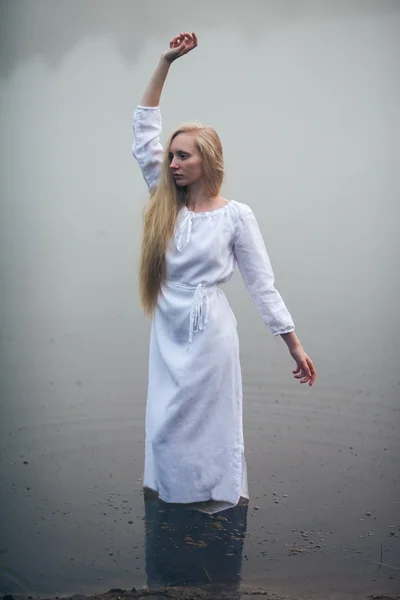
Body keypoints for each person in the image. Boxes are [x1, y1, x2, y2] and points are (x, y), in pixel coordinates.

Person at [132, 32, 316, 514]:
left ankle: (211, 496)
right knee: (165, 421)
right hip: (168, 325)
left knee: (208, 421)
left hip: (209, 329)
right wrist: (165, 61)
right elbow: (143, 133)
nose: (172, 163)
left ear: (207, 160)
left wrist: (293, 345)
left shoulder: (236, 216)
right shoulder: (164, 203)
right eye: (171, 156)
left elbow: (261, 285)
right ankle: (173, 500)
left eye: (183, 155)